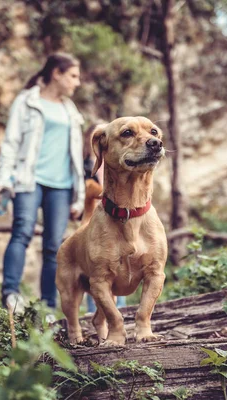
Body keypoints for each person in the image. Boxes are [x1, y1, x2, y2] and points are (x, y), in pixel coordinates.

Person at [0, 53, 85, 313]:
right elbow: (10, 143)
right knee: (21, 232)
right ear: (56, 73)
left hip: (62, 186)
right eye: (73, 76)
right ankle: (10, 294)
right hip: (29, 180)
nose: (77, 83)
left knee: (54, 247)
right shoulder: (27, 101)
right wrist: (3, 181)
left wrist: (78, 197)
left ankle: (47, 307)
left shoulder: (70, 110)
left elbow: (76, 156)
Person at [80, 124, 126, 313]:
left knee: (122, 263)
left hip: (120, 222)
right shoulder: (83, 169)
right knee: (97, 267)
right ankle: (95, 311)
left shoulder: (120, 163)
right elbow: (86, 194)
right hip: (93, 222)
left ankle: (121, 310)